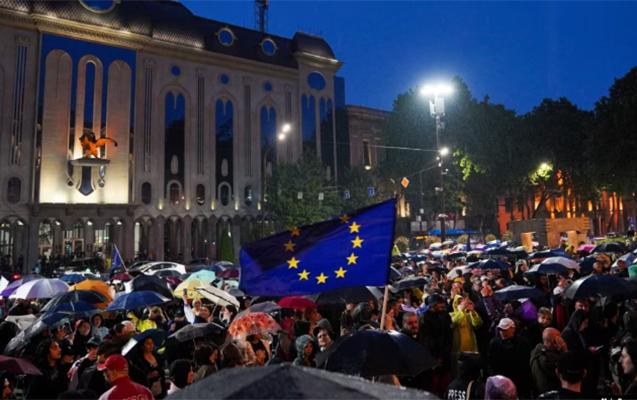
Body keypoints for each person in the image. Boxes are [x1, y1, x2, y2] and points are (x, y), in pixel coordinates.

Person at [418, 294, 453, 396]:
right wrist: (437, 356)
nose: (442, 305)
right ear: (432, 305)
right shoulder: (425, 317)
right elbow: (427, 339)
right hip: (433, 356)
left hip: (446, 353)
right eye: (439, 303)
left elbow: (449, 333)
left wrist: (445, 352)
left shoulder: (444, 314)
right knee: (434, 383)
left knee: (445, 381)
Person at [488, 318, 532, 399]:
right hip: (503, 380)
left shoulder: (523, 342)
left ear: (513, 329)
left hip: (520, 379)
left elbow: (527, 360)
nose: (502, 332)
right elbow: (491, 362)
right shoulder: (494, 343)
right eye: (500, 330)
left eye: (505, 330)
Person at [450, 295, 483, 378]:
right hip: (458, 350)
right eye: (459, 302)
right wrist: (461, 310)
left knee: (473, 372)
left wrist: (472, 311)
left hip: (471, 348)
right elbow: (452, 323)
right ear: (454, 304)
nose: (462, 304)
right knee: (459, 373)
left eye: (463, 302)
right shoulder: (451, 315)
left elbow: (477, 324)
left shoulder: (468, 315)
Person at [530, 328, 567, 395]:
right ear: (554, 340)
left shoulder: (536, 353)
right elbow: (566, 372)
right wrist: (565, 351)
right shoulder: (550, 359)